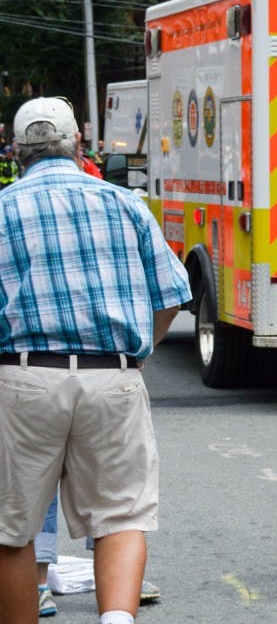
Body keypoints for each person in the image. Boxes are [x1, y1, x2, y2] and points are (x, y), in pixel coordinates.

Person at [0, 97, 191, 624]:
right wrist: (142, 352)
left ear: (17, 151)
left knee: (11, 528)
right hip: (113, 375)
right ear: (78, 144)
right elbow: (172, 292)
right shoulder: (124, 203)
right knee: (121, 517)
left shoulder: (3, 207)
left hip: (23, 375)